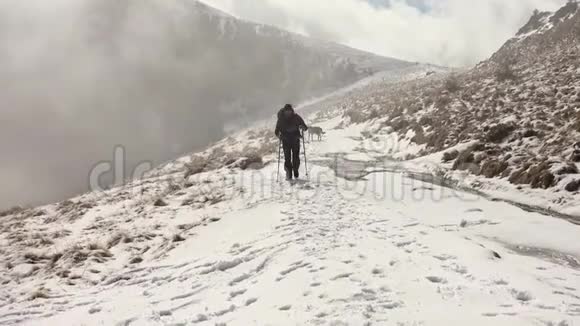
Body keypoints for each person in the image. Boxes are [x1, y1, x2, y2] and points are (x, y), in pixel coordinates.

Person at [275, 104, 308, 180]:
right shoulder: (281, 119)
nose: (288, 113)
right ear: (284, 111)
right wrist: (278, 135)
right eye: (287, 111)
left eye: (289, 111)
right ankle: (289, 172)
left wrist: (303, 127)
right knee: (287, 158)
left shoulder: (296, 117)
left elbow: (305, 127)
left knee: (295, 156)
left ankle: (295, 169)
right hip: (285, 140)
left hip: (295, 139)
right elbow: (276, 130)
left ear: (291, 111)